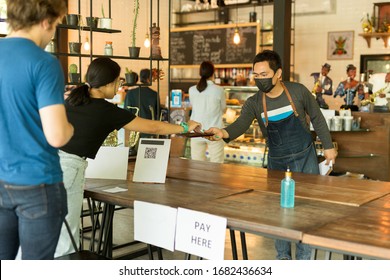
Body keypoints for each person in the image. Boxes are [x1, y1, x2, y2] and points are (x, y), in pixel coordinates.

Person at [55, 57, 200, 257]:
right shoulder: (106, 111)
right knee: (65, 237)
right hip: (68, 169)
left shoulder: (72, 99)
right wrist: (184, 126)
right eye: (118, 82)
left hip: (47, 165)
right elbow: (154, 126)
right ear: (107, 83)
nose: (119, 86)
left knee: (52, 230)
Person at [205, 50, 337, 260]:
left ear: (278, 74)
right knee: (280, 214)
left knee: (307, 213)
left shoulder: (298, 92)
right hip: (277, 162)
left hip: (305, 159)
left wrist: (329, 146)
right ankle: (282, 259)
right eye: (256, 75)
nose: (259, 79)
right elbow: (240, 124)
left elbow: (317, 118)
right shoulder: (255, 102)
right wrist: (223, 133)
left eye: (264, 74)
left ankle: (304, 261)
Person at [0, 0, 74, 260]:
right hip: (37, 184)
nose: (52, 33)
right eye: (55, 26)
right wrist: (70, 126)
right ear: (45, 21)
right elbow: (57, 136)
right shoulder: (44, 63)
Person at [189, 61, 226, 163]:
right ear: (213, 73)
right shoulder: (219, 90)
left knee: (197, 165)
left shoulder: (192, 90)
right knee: (217, 164)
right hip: (215, 131)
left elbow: (194, 106)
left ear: (200, 73)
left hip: (196, 131)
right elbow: (223, 108)